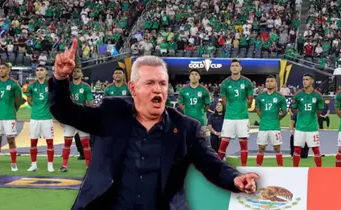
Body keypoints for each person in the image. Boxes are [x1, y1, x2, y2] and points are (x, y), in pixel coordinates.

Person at [49, 40, 260, 210]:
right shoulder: (111, 113)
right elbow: (65, 111)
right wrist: (60, 78)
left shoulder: (186, 128)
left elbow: (212, 164)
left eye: (162, 83)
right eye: (150, 83)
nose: (157, 90)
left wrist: (236, 179)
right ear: (133, 88)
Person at [218, 59, 254, 166]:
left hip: (243, 117)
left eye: (236, 65)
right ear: (230, 68)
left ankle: (244, 167)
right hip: (229, 117)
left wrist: (242, 107)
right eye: (233, 65)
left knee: (243, 143)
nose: (234, 67)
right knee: (224, 142)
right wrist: (230, 108)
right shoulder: (225, 83)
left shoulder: (247, 82)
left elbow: (250, 99)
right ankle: (218, 166)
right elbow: (224, 99)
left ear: (240, 68)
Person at [0, 62, 22, 172]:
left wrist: (13, 110)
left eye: (3, 68)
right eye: (0, 68)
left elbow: (19, 99)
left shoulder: (14, 84)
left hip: (9, 116)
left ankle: (13, 164)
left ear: (8, 70)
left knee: (11, 139)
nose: (1, 70)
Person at [60, 67, 94, 172]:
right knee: (67, 142)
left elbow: (90, 102)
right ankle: (64, 165)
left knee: (85, 143)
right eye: (74, 71)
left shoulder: (86, 86)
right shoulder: (67, 86)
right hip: (69, 118)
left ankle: (89, 166)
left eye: (78, 71)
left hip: (81, 118)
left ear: (82, 74)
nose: (75, 73)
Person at [25, 65, 55, 172]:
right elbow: (29, 101)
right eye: (37, 70)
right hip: (35, 118)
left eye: (41, 70)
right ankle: (34, 165)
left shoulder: (51, 85)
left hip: (47, 118)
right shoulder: (31, 86)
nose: (39, 72)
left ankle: (50, 165)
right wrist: (37, 108)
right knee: (33, 142)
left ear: (46, 72)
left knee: (50, 143)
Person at [291, 73, 324, 167]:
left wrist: (312, 117)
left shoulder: (318, 95)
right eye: (303, 79)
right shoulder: (298, 94)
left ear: (312, 81)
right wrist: (301, 116)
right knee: (297, 149)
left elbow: (319, 110)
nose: (304, 81)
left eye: (307, 79)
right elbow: (294, 109)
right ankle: (295, 169)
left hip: (312, 128)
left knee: (316, 149)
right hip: (300, 127)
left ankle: (319, 170)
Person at [255, 75, 288, 166]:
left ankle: (280, 167)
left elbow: (285, 111)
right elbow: (258, 109)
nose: (269, 83)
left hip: (275, 127)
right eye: (267, 81)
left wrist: (277, 119)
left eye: (271, 81)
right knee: (261, 148)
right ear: (265, 83)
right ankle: (258, 167)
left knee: (277, 148)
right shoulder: (260, 96)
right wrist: (263, 118)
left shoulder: (280, 97)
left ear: (275, 83)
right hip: (263, 127)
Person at [178, 69, 210, 137]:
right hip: (187, 121)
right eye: (192, 74)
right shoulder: (183, 90)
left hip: (201, 121)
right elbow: (180, 103)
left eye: (196, 74)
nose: (194, 76)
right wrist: (186, 111)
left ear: (199, 77)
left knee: (203, 144)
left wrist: (201, 112)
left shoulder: (204, 90)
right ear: (189, 77)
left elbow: (207, 105)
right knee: (187, 143)